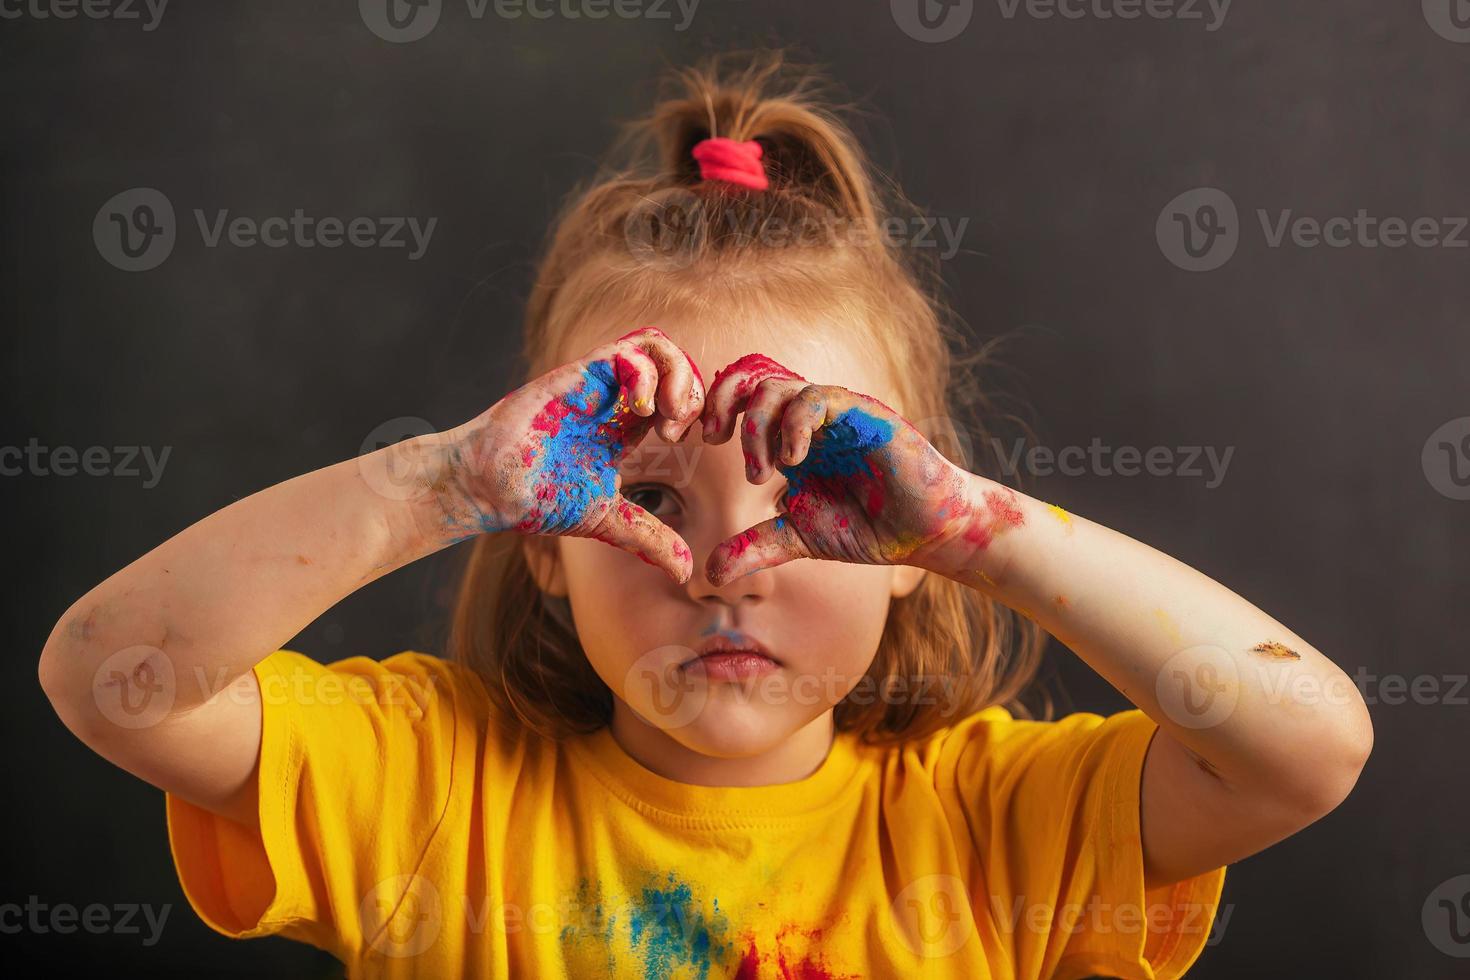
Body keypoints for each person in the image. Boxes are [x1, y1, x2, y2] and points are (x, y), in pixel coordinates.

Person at [39, 51, 1372, 979]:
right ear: (544, 545)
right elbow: (113, 679)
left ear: (912, 553)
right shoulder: (428, 788)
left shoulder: (990, 821)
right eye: (645, 495)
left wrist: (982, 532)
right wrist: (443, 482)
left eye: (815, 495)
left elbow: (1305, 748)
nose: (724, 567)